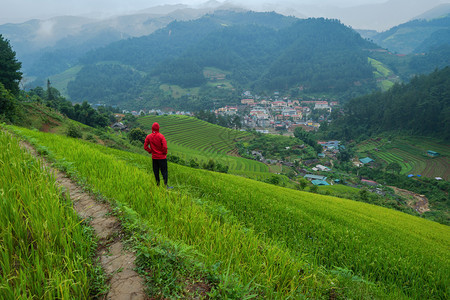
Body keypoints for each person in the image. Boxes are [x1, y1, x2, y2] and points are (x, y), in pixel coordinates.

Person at [144, 122, 169, 187]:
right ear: (158, 128)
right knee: (164, 172)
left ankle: (158, 185)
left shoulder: (148, 136)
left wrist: (151, 151)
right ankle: (165, 186)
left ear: (152, 128)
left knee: (156, 172)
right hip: (162, 158)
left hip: (154, 158)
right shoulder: (161, 136)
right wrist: (164, 153)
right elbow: (165, 147)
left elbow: (145, 146)